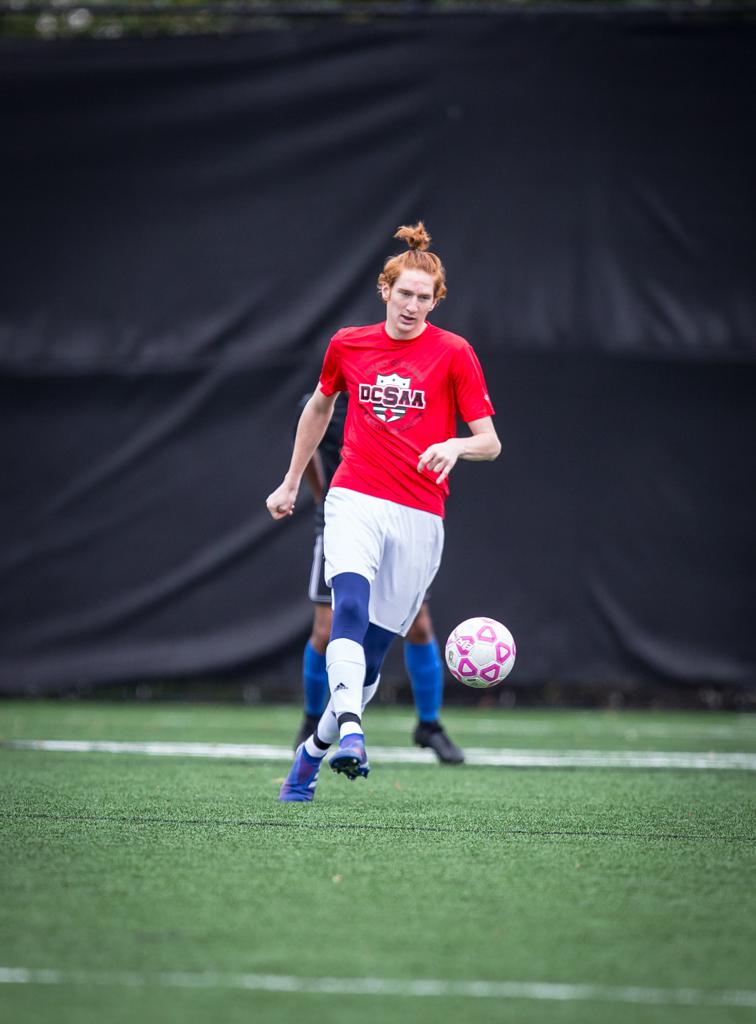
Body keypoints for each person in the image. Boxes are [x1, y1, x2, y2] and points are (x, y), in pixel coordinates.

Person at [266, 222, 500, 802]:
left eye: (425, 297)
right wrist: (291, 480)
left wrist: (456, 444)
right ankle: (351, 730)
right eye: (404, 294)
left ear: (435, 301)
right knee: (344, 608)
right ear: (385, 290)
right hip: (355, 499)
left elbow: (490, 440)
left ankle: (311, 754)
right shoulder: (348, 343)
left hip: (420, 517)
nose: (413, 306)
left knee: (370, 658)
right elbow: (319, 408)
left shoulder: (454, 353)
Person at [295, 390, 465, 764]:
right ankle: (313, 722)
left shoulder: (403, 399)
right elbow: (306, 443)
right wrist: (317, 494)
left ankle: (429, 725)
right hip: (347, 519)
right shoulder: (325, 399)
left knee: (418, 624)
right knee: (327, 629)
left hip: (398, 522)